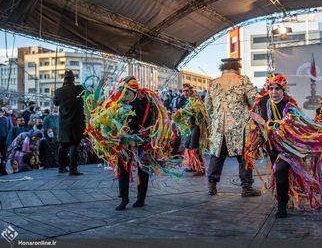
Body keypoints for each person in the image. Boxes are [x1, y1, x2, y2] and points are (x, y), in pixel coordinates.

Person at [245, 73, 322, 218]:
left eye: (277, 89)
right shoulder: (263, 101)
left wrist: (268, 124)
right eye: (271, 88)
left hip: (290, 148)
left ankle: (283, 206)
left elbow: (288, 127)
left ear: (283, 89)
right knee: (280, 177)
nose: (274, 92)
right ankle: (286, 198)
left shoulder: (290, 106)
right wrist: (256, 142)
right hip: (273, 148)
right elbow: (261, 128)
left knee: (283, 171)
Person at [84, 76, 176, 211]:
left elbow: (153, 122)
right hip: (125, 143)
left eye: (126, 92)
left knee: (143, 169)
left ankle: (141, 198)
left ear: (134, 91)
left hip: (142, 142)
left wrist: (145, 134)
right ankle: (124, 198)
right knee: (122, 168)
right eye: (122, 92)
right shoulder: (119, 104)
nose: (124, 95)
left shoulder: (147, 104)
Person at [205, 58, 261, 197]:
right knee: (244, 157)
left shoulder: (213, 83)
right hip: (239, 128)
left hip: (219, 128)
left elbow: (208, 108)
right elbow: (255, 102)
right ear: (238, 67)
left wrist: (217, 120)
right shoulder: (242, 80)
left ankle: (212, 186)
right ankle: (246, 187)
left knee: (216, 155)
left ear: (223, 68)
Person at [172, 83, 209, 175]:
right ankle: (193, 166)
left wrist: (182, 112)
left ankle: (201, 169)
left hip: (197, 127)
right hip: (191, 127)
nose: (185, 93)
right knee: (188, 145)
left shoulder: (197, 100)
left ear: (191, 91)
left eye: (187, 90)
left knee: (194, 146)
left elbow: (195, 110)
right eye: (184, 91)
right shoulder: (189, 100)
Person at [54, 70, 85, 175]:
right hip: (76, 123)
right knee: (74, 145)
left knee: (63, 146)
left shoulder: (58, 91)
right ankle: (73, 169)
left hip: (63, 123)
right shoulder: (80, 89)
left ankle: (61, 167)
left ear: (64, 79)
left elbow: (56, 103)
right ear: (73, 79)